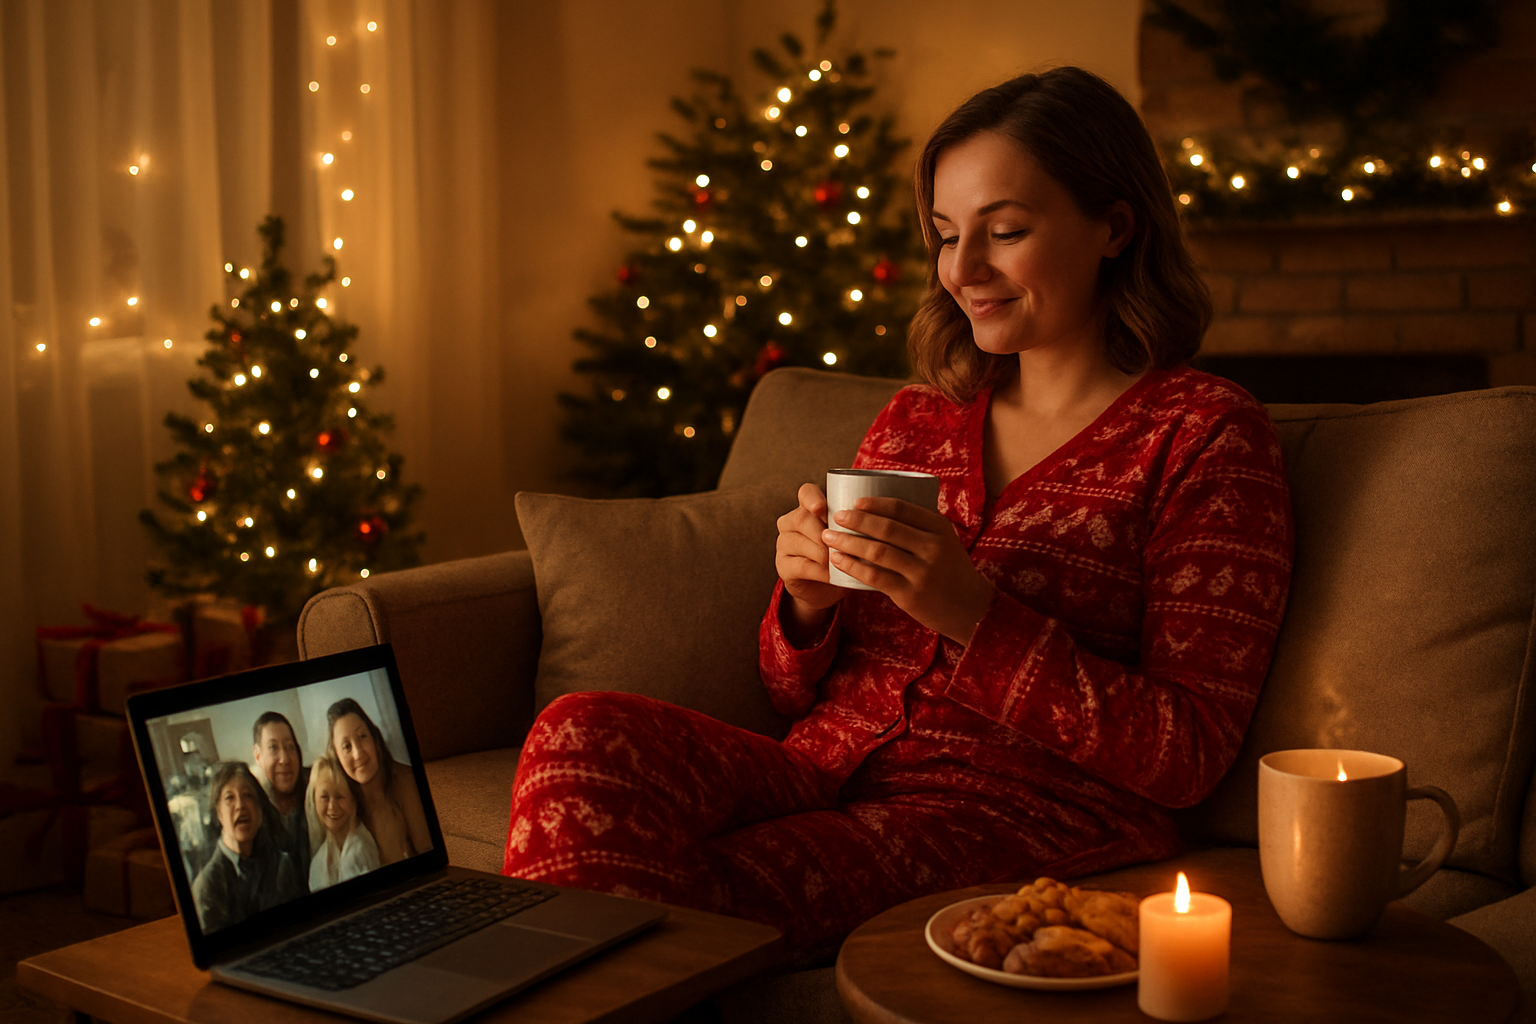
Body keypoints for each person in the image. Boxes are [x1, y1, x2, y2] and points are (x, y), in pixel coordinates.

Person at [502, 66, 1294, 956]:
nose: (964, 269)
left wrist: (974, 616)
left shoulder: (1203, 435)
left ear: (1114, 226)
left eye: (1006, 232)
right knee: (580, 731)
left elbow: (1184, 752)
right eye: (948, 235)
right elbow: (786, 687)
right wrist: (806, 602)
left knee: (681, 896)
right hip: (823, 765)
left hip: (1015, 815)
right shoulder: (922, 417)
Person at [190, 761, 304, 932]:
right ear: (219, 813)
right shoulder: (207, 886)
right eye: (230, 798)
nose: (240, 805)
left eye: (248, 796)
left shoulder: (281, 866)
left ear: (259, 812)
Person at [325, 698, 430, 865]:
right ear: (337, 757)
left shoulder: (406, 781)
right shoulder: (340, 805)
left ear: (375, 739)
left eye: (362, 736)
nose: (358, 753)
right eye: (346, 746)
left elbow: (429, 858)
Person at [252, 711, 311, 893]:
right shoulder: (253, 811)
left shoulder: (318, 793)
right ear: (258, 755)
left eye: (289, 746)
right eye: (273, 748)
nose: (284, 759)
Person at [306, 754, 381, 891]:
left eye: (339, 796)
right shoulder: (318, 862)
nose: (332, 807)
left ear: (353, 799)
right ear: (314, 800)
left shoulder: (361, 848)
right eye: (324, 797)